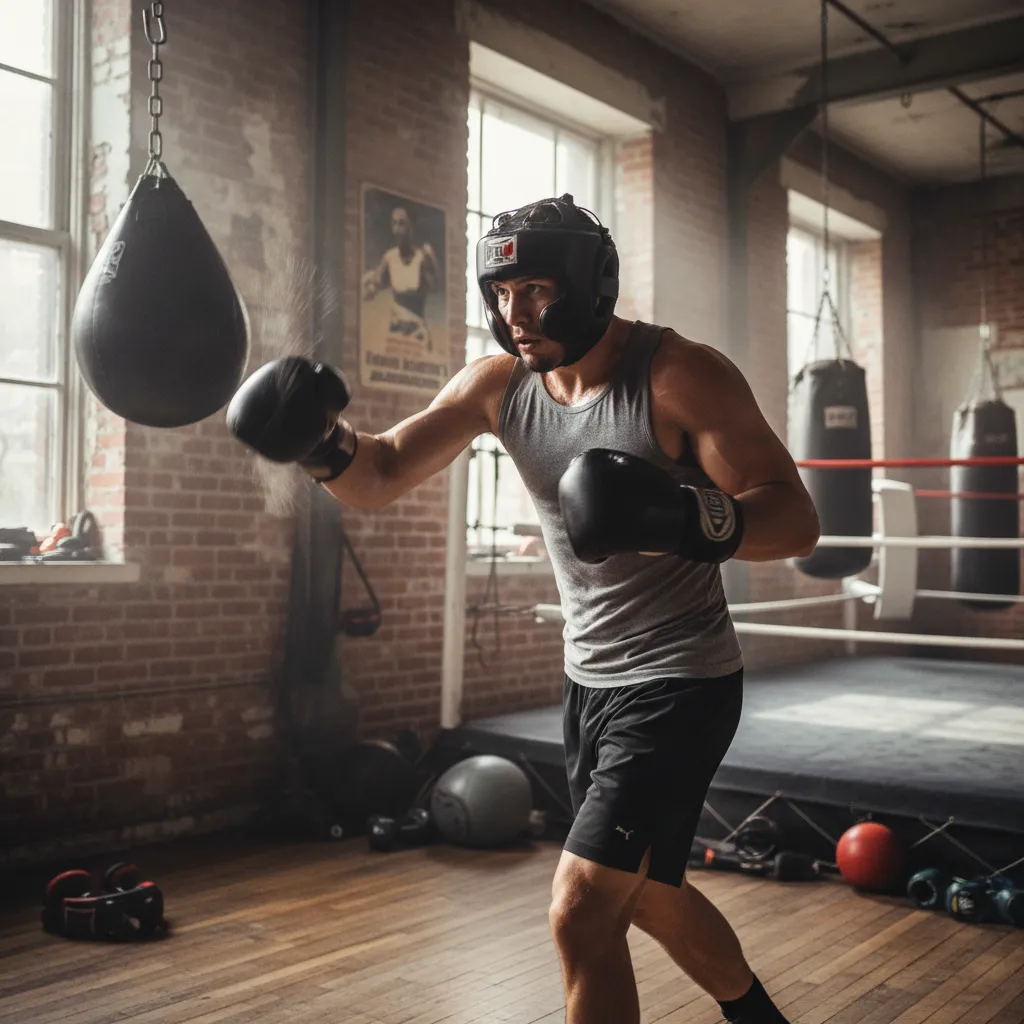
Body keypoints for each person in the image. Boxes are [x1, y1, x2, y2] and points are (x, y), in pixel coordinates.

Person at [227, 194, 820, 1024]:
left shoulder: (680, 375)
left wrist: (686, 518)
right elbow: (384, 472)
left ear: (591, 284)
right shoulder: (501, 385)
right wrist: (322, 446)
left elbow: (795, 518)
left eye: (535, 290)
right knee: (644, 896)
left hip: (682, 679)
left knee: (580, 906)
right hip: (591, 681)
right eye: (500, 296)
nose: (515, 317)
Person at [361, 205, 441, 351]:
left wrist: (432, 264)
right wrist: (367, 284)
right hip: (395, 333)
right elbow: (372, 288)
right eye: (395, 224)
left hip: (417, 331)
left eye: (402, 223)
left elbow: (434, 286)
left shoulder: (422, 257)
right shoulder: (389, 258)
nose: (398, 230)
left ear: (411, 226)